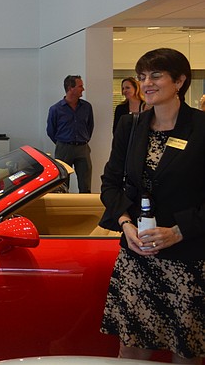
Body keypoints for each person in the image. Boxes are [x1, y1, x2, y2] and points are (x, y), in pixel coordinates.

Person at [99, 48, 205, 363]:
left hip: (187, 257)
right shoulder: (130, 126)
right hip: (137, 257)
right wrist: (125, 223)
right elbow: (110, 182)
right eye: (143, 75)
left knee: (185, 351)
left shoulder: (201, 128)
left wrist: (179, 231)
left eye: (156, 75)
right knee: (131, 350)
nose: (147, 82)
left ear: (180, 80)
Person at [47, 75, 94, 193]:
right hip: (64, 148)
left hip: (83, 148)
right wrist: (62, 142)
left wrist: (84, 139)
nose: (83, 89)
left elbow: (90, 126)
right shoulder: (55, 109)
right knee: (62, 184)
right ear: (70, 88)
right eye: (80, 86)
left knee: (85, 184)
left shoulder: (87, 107)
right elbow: (51, 131)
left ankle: (85, 209)